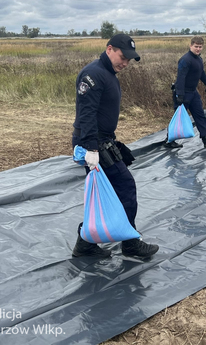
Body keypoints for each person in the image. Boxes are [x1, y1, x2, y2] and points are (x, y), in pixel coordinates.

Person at [71, 33, 159, 259]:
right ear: (109, 49)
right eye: (123, 57)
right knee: (125, 186)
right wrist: (91, 149)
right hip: (94, 143)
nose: (125, 63)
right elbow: (87, 114)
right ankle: (130, 243)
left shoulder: (108, 74)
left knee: (105, 192)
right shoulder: (93, 75)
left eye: (129, 60)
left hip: (103, 141)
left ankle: (85, 244)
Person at [165, 36, 206, 148]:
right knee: (179, 118)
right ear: (191, 46)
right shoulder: (185, 60)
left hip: (193, 93)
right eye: (196, 46)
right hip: (183, 92)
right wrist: (179, 95)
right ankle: (169, 141)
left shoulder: (199, 59)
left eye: (200, 47)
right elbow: (181, 77)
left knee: (200, 114)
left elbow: (201, 72)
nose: (198, 49)